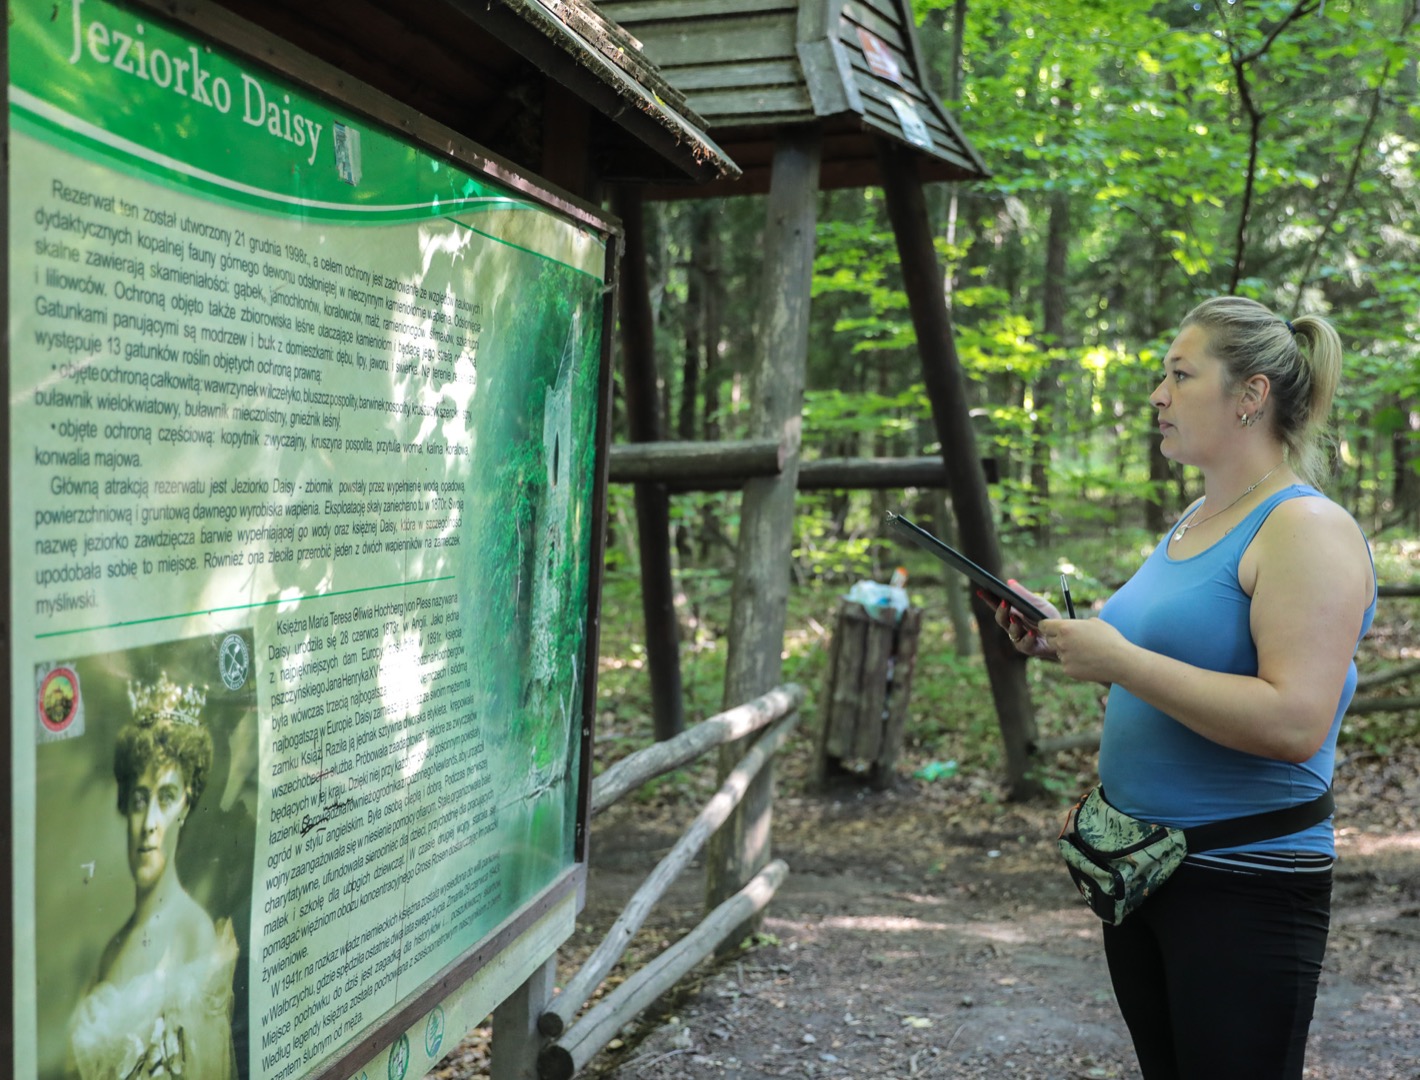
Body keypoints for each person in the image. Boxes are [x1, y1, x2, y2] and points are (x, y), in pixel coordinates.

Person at [995, 296, 1376, 1080]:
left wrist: (1121, 661)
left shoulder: (1306, 528)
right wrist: (1065, 638)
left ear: (1250, 396)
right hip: (1144, 870)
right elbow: (1162, 664)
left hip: (1246, 883)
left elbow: (1295, 721)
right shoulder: (1196, 517)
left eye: (1180, 374)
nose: (1157, 396)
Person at [69, 674, 239, 1080]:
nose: (148, 824)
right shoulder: (113, 947)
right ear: (126, 805)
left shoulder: (193, 935)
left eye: (165, 798)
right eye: (140, 798)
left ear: (186, 806)